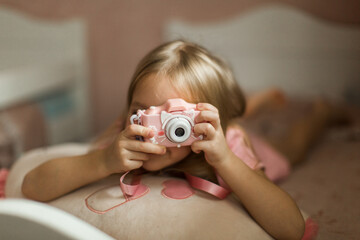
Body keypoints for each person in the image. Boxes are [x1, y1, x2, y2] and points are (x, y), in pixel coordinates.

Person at [22, 40, 313, 239]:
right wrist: (101, 160)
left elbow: (291, 229)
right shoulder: (127, 136)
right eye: (142, 110)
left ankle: (321, 112)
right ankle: (254, 103)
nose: (155, 130)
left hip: (242, 140)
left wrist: (226, 160)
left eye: (175, 119)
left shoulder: (230, 145)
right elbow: (31, 187)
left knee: (292, 149)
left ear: (199, 122)